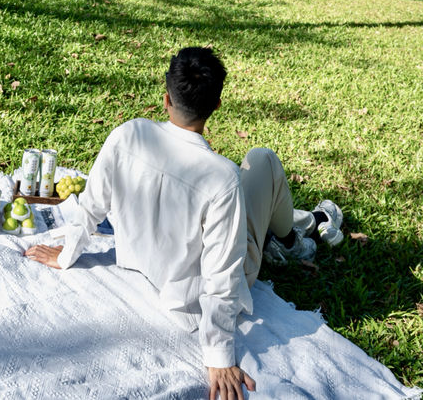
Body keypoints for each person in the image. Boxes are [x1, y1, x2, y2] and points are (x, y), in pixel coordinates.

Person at [25, 47, 343, 400]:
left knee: (248, 179)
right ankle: (290, 240)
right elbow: (223, 276)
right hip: (198, 290)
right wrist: (219, 356)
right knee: (262, 160)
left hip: (144, 264)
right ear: (217, 106)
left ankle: (299, 225)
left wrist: (67, 254)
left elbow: (91, 206)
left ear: (166, 99)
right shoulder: (222, 178)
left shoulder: (128, 134)